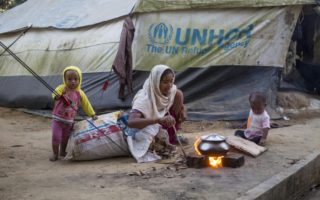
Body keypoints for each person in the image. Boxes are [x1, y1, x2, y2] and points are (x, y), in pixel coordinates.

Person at [127, 64, 187, 162]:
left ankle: (172, 137)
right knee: (152, 142)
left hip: (162, 124)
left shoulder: (171, 91)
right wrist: (158, 120)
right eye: (165, 82)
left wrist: (183, 110)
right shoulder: (144, 99)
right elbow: (131, 122)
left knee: (178, 94)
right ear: (155, 81)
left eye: (171, 81)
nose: (169, 85)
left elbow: (176, 94)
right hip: (147, 127)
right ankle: (160, 141)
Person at [50, 66, 97, 161]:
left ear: (79, 79)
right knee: (56, 136)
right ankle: (55, 154)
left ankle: (62, 151)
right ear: (65, 79)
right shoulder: (62, 88)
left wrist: (92, 114)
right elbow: (54, 93)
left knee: (65, 138)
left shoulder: (80, 93)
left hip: (69, 121)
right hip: (57, 119)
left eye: (76, 79)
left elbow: (86, 104)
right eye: (69, 79)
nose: (73, 81)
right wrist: (56, 96)